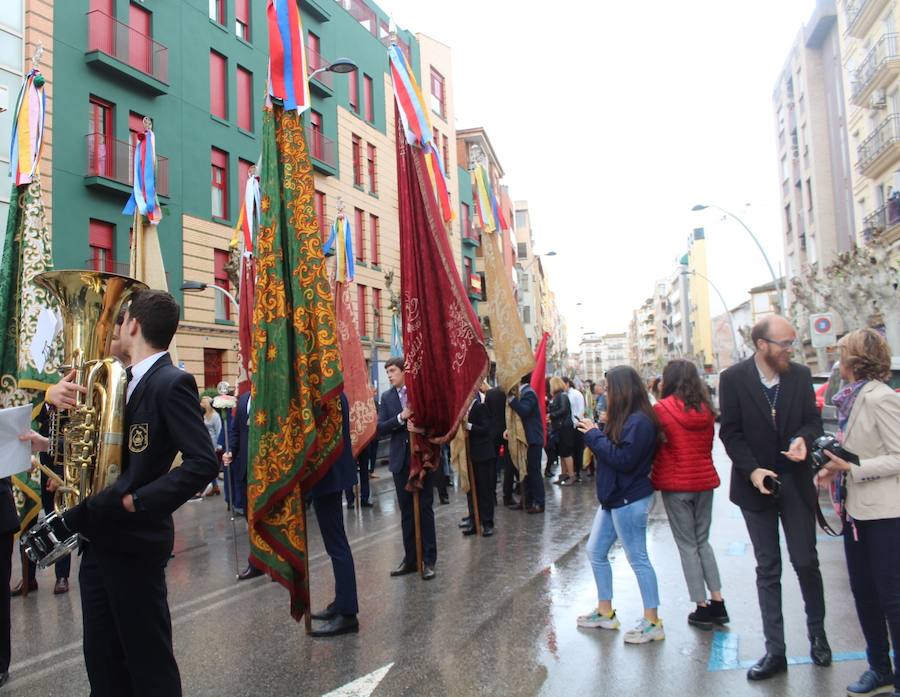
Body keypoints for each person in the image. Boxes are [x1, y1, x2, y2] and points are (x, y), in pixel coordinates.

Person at [46, 289, 219, 697]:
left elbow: (202, 462)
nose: (110, 329)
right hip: (97, 541)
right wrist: (53, 404)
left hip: (135, 545)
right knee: (102, 665)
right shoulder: (114, 381)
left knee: (148, 665)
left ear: (133, 326)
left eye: (117, 321)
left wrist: (138, 501)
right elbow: (78, 446)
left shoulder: (170, 382)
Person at [719, 315, 829, 681]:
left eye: (791, 342)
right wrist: (753, 471)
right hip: (756, 487)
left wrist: (803, 439)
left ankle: (818, 636)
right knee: (768, 569)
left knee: (805, 562)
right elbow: (731, 434)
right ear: (762, 344)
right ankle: (775, 651)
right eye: (784, 342)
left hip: (795, 484)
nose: (790, 349)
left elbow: (813, 422)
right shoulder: (732, 379)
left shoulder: (798, 375)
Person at [815, 329, 900, 697]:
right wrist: (833, 468)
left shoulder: (880, 398)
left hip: (885, 512)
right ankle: (879, 668)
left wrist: (853, 469)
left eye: (843, 352)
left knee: (891, 597)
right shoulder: (851, 399)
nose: (838, 359)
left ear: (854, 360)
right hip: (856, 511)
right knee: (863, 593)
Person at [577, 365, 664, 644]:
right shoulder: (627, 418)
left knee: (638, 558)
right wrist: (599, 429)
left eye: (609, 388)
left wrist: (594, 435)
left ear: (622, 390)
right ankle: (605, 612)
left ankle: (652, 621)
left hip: (629, 499)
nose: (606, 394)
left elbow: (623, 460)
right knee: (595, 551)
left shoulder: (640, 422)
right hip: (613, 499)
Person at [651, 359, 728, 629]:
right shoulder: (705, 409)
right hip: (704, 481)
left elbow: (656, 444)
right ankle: (718, 601)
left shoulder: (661, 409)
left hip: (677, 484)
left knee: (687, 546)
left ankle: (701, 606)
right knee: (702, 541)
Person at [378, 356, 436, 580]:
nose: (390, 375)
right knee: (407, 513)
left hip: (421, 458)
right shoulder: (386, 397)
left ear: (404, 371)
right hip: (400, 462)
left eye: (393, 371)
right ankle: (410, 559)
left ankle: (428, 559)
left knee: (424, 508)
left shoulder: (418, 393)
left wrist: (420, 428)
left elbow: (433, 420)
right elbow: (381, 427)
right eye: (388, 372)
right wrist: (400, 418)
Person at [308, 393, 360, 637]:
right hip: (327, 475)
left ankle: (348, 613)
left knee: (337, 545)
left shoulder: (328, 391)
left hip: (328, 474)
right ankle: (341, 601)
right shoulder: (330, 389)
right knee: (334, 544)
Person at [12, 403, 71, 597]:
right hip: (27, 471)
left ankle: (62, 576)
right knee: (26, 523)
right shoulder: (27, 402)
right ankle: (28, 578)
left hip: (52, 470)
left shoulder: (64, 403)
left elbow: (70, 439)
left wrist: (60, 474)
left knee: (59, 521)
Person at [508, 373, 545, 514]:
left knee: (533, 471)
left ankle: (539, 503)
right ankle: (526, 501)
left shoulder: (528, 393)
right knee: (525, 471)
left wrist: (511, 399)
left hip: (533, 439)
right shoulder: (523, 392)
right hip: (526, 438)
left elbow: (523, 411)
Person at [461, 387, 496, 537]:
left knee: (484, 490)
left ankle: (487, 523)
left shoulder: (480, 407)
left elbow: (486, 428)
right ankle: (474, 521)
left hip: (483, 455)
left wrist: (469, 426)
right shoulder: (463, 412)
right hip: (469, 456)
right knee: (471, 490)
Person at [548, 377, 575, 486]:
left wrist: (551, 415)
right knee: (562, 453)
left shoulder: (562, 396)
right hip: (561, 427)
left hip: (564, 428)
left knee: (566, 453)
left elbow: (563, 410)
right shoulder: (559, 396)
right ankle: (564, 475)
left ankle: (571, 475)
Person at [200, 396, 222, 497]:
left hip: (213, 445)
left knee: (208, 466)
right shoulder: (204, 415)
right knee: (209, 466)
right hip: (205, 443)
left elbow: (219, 430)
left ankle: (204, 488)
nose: (201, 404)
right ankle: (215, 486)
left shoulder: (215, 416)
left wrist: (219, 445)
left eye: (203, 403)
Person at [565, 377, 586, 482]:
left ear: (567, 384)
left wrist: (577, 423)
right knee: (572, 449)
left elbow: (580, 409)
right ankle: (573, 471)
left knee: (578, 450)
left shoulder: (576, 394)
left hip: (576, 425)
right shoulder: (566, 395)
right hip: (570, 426)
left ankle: (578, 471)